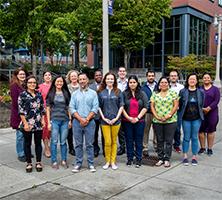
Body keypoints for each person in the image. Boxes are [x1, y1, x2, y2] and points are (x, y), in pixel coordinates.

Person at [69, 73, 99, 173]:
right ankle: (78, 163)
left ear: (87, 80)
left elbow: (95, 108)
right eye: (80, 79)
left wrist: (87, 119)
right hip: (77, 123)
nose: (82, 81)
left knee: (90, 144)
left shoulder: (93, 93)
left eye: (84, 79)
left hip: (90, 122)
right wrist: (80, 119)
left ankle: (91, 164)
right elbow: (72, 108)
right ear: (78, 81)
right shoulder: (74, 94)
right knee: (78, 144)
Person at [18, 75, 45, 173]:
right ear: (26, 84)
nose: (32, 84)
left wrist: (43, 120)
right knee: (27, 143)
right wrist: (25, 124)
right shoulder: (22, 95)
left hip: (38, 123)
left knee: (38, 143)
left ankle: (38, 162)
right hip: (27, 123)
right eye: (30, 82)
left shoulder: (39, 95)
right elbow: (21, 111)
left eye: (34, 82)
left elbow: (42, 109)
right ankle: (29, 163)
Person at [151, 77, 179, 168]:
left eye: (165, 82)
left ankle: (167, 159)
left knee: (168, 141)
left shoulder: (173, 93)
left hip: (170, 121)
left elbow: (176, 105)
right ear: (159, 84)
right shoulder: (155, 94)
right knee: (159, 140)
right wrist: (157, 116)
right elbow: (152, 106)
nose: (163, 84)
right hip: (157, 121)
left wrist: (169, 115)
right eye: (162, 82)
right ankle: (160, 158)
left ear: (168, 84)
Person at [98, 72, 124, 170]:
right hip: (104, 121)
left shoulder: (118, 91)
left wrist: (116, 118)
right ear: (105, 80)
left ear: (114, 80)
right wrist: (104, 118)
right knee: (107, 142)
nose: (110, 80)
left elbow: (121, 106)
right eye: (108, 79)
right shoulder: (101, 92)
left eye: (112, 79)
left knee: (114, 141)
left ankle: (113, 161)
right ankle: (107, 161)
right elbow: (99, 106)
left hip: (116, 121)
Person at [46, 75, 71, 169]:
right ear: (54, 83)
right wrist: (48, 122)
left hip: (65, 120)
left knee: (63, 142)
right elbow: (47, 109)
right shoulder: (51, 93)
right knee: (54, 141)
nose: (59, 83)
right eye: (57, 81)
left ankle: (64, 160)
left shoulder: (66, 93)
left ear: (63, 82)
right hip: (55, 120)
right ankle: (54, 161)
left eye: (61, 81)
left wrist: (70, 120)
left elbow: (69, 107)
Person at [179, 73, 204, 166]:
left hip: (197, 119)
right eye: (190, 79)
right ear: (187, 80)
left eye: (194, 79)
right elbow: (180, 104)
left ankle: (194, 156)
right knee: (186, 137)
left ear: (197, 81)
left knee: (194, 137)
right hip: (185, 118)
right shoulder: (183, 91)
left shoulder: (201, 92)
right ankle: (185, 156)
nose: (192, 81)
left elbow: (201, 104)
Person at [122, 75, 148, 167]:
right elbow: (122, 107)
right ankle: (129, 158)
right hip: (127, 121)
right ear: (128, 84)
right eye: (130, 82)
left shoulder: (142, 93)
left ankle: (138, 159)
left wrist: (137, 118)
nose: (132, 84)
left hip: (139, 121)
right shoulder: (124, 94)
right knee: (129, 140)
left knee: (138, 140)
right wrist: (129, 118)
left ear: (137, 83)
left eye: (134, 82)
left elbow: (145, 107)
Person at [198, 73, 220, 156]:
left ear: (211, 79)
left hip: (212, 112)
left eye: (208, 78)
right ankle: (202, 148)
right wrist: (202, 108)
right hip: (201, 112)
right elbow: (198, 99)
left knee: (211, 130)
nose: (206, 79)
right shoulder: (199, 89)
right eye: (204, 78)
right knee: (201, 130)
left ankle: (210, 148)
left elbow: (216, 100)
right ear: (202, 79)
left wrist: (209, 108)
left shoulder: (215, 89)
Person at [10, 67, 28, 162]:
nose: (22, 76)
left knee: (26, 134)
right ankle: (20, 153)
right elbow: (15, 102)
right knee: (20, 135)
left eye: (24, 74)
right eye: (20, 74)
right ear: (17, 75)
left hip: (27, 114)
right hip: (18, 114)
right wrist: (22, 113)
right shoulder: (14, 86)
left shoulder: (25, 85)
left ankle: (26, 151)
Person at [141, 70, 158, 157]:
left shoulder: (159, 86)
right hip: (147, 112)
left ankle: (156, 145)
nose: (151, 77)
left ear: (154, 77)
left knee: (156, 130)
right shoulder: (143, 87)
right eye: (149, 76)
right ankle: (145, 147)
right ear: (147, 77)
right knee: (145, 130)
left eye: (152, 76)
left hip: (157, 112)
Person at [89, 70, 104, 157]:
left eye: (100, 75)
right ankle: (96, 149)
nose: (98, 76)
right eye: (96, 75)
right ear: (94, 77)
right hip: (94, 114)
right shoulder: (90, 87)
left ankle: (105, 149)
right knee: (94, 134)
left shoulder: (105, 86)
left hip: (103, 114)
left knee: (104, 134)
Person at [169, 70, 184, 153]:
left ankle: (177, 145)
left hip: (178, 111)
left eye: (175, 76)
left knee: (177, 128)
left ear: (177, 77)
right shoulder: (166, 85)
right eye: (172, 76)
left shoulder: (181, 87)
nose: (173, 77)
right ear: (169, 77)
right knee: (168, 128)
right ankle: (167, 144)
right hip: (166, 110)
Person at [66, 70, 80, 156]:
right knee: (69, 131)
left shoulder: (82, 86)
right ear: (69, 78)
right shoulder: (66, 87)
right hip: (69, 111)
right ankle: (71, 148)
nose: (74, 78)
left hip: (80, 111)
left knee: (79, 131)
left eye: (75, 76)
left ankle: (79, 146)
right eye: (72, 76)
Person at [38, 71, 52, 158]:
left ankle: (50, 146)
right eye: (46, 75)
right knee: (45, 130)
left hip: (54, 111)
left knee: (52, 131)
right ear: (43, 77)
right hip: (44, 112)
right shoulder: (40, 87)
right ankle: (46, 148)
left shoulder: (54, 86)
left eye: (49, 75)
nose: (47, 76)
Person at [117, 66, 128, 155]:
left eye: (123, 71)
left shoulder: (130, 82)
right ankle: (122, 147)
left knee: (128, 128)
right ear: (118, 73)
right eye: (120, 71)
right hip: (118, 108)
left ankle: (130, 146)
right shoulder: (115, 83)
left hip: (129, 108)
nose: (122, 73)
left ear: (126, 73)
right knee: (120, 130)